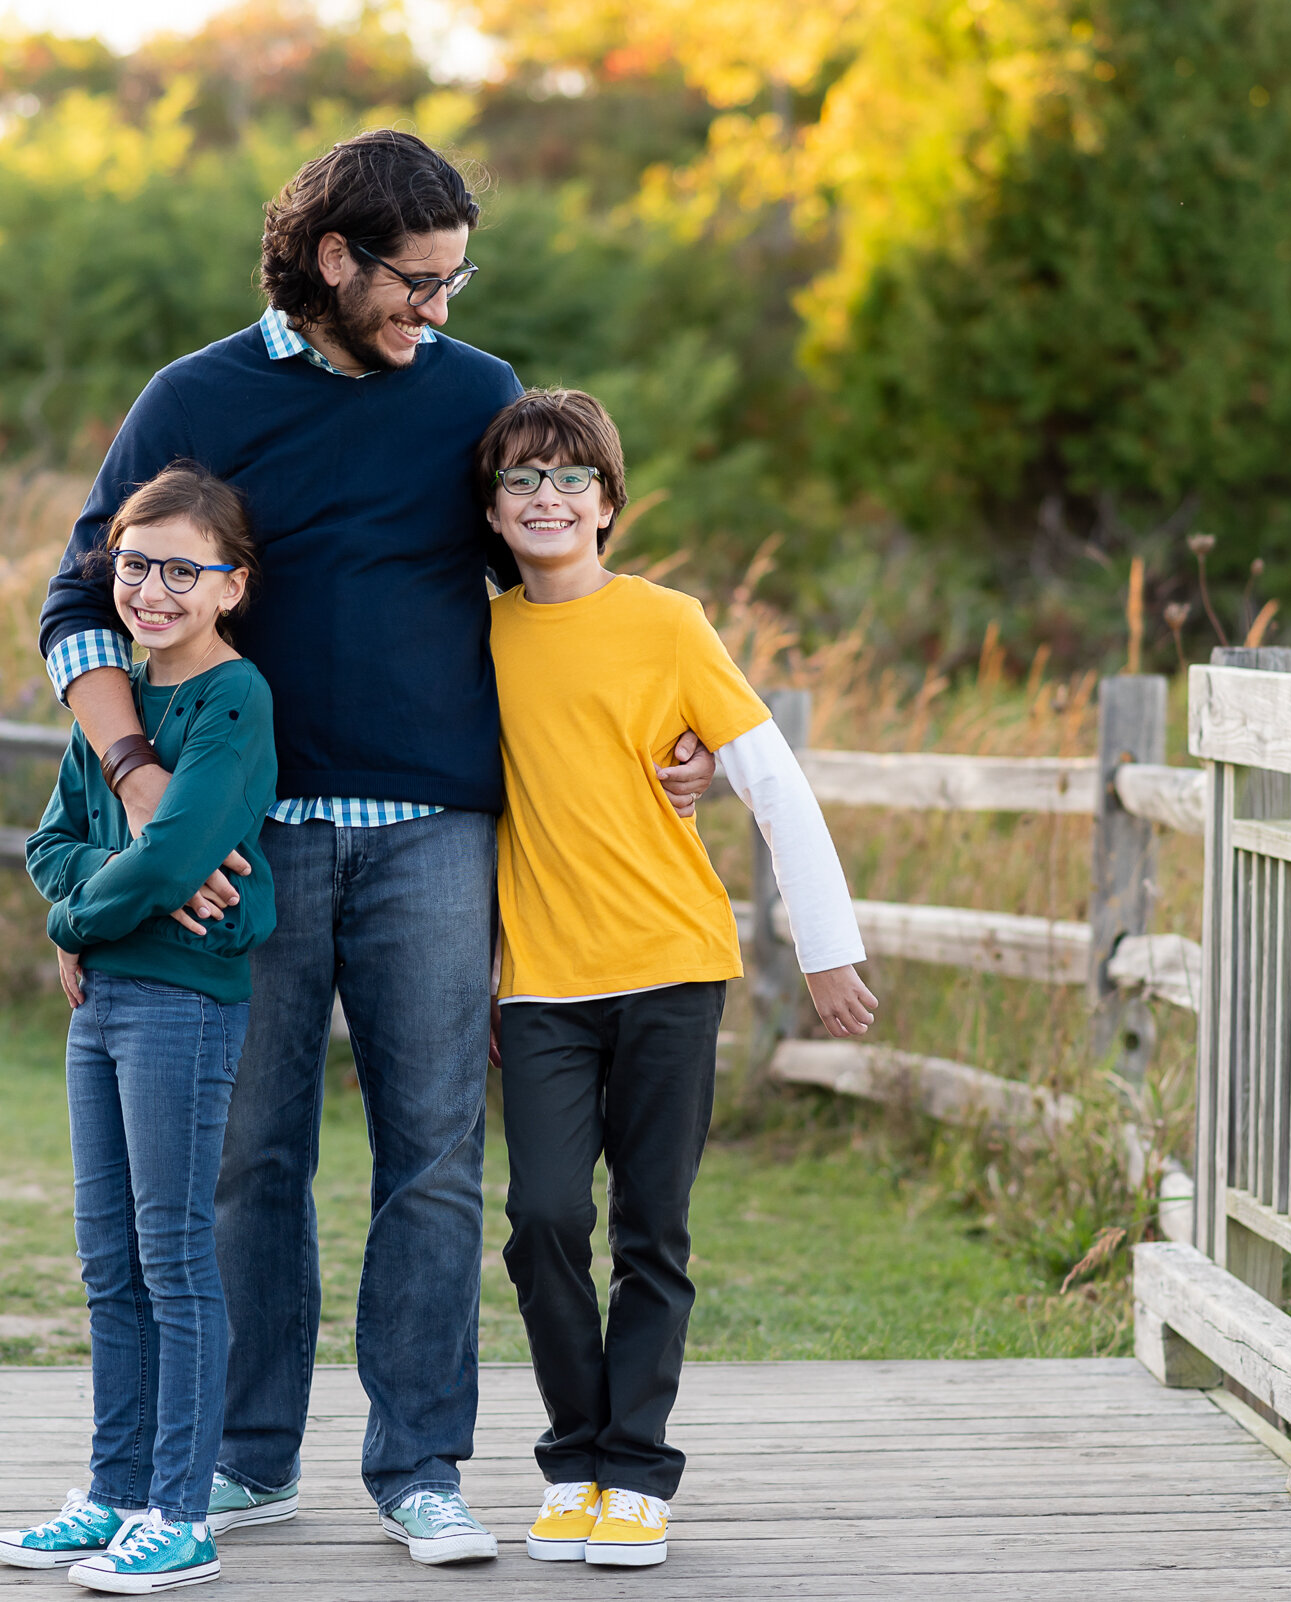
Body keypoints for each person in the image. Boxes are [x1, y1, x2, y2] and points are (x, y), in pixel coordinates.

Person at [35, 131, 719, 1566]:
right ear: (335, 260)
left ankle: (419, 1463)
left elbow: (555, 582)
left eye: (458, 283)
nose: (442, 313)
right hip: (255, 839)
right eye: (420, 282)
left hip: (434, 835)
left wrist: (671, 730)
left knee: (431, 1158)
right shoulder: (196, 398)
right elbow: (84, 602)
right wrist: (145, 780)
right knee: (246, 1154)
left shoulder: (471, 398)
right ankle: (242, 1458)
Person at [476, 389, 878, 1568]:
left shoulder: (669, 622)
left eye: (569, 480)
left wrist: (827, 950)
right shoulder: (478, 634)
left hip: (669, 968)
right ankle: (574, 1456)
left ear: (608, 503)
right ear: (492, 512)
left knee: (653, 1229)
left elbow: (773, 782)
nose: (546, 498)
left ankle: (636, 1473)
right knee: (544, 1220)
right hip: (539, 983)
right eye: (521, 481)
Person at [0, 463, 276, 1593]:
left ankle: (180, 1511)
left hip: (179, 1005)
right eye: (133, 566)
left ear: (230, 587)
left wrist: (78, 914)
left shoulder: (232, 702)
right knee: (108, 1259)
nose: (151, 590)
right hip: (101, 1003)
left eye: (180, 571)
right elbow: (51, 840)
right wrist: (96, 897)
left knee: (171, 1258)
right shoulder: (113, 696)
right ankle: (112, 1494)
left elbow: (176, 854)